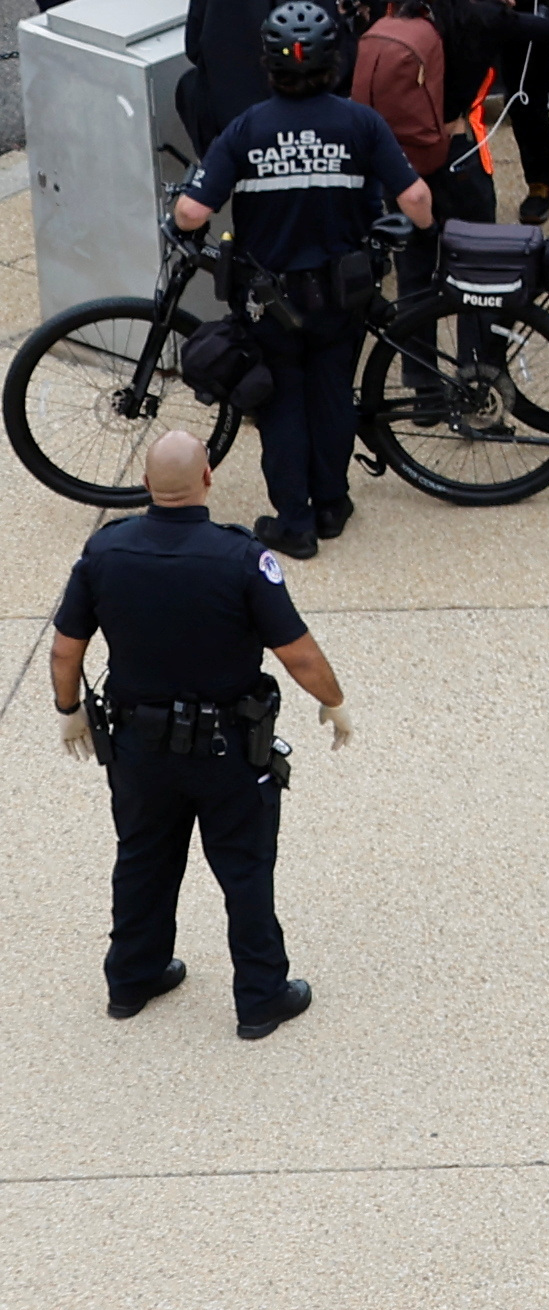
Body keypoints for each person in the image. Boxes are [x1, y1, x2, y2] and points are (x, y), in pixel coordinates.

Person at [48, 425, 345, 1036]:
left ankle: (132, 979)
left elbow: (65, 648)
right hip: (226, 750)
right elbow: (299, 654)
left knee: (142, 859)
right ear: (207, 478)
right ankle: (261, 997)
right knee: (244, 868)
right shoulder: (239, 558)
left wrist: (68, 708)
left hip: (138, 749)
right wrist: (333, 701)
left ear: (147, 486)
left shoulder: (106, 553)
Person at [161, 0, 433, 556]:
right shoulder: (362, 123)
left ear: (269, 65)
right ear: (335, 62)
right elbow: (418, 201)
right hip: (344, 293)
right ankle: (333, 504)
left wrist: (180, 211)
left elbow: (192, 213)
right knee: (333, 391)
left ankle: (295, 522)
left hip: (272, 301)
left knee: (281, 402)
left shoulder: (245, 130)